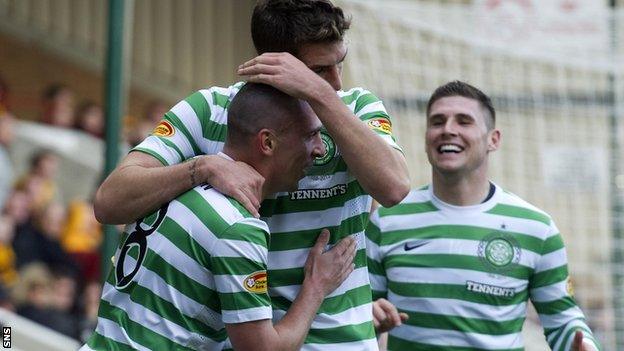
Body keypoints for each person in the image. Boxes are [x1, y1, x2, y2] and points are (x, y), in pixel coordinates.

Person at [94, 1, 410, 349]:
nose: (337, 83)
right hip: (247, 338)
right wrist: (201, 167)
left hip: (338, 340)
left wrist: (318, 93)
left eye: (340, 64)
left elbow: (394, 187)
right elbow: (110, 202)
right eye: (320, 71)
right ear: (275, 64)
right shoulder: (211, 110)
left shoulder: (355, 109)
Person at [81, 83, 357, 351]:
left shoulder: (172, 189)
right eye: (310, 136)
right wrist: (316, 288)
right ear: (268, 142)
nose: (320, 149)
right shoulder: (236, 225)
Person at [366, 81, 601, 350]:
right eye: (437, 121)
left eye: (464, 121)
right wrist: (368, 318)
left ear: (494, 139)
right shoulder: (387, 221)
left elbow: (562, 318)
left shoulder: (536, 228)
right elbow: (360, 315)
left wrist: (582, 345)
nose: (448, 130)